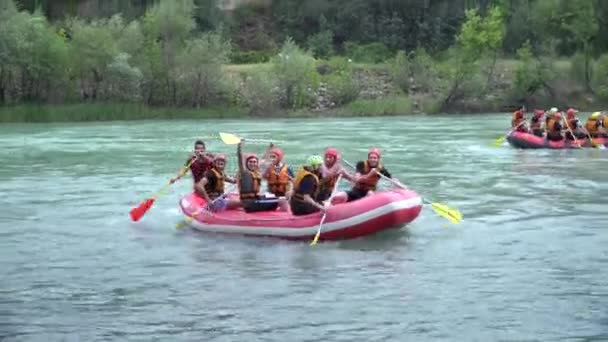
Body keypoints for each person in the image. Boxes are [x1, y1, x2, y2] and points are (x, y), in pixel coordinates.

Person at [236, 140, 288, 213]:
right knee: (282, 201)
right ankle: (286, 218)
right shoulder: (244, 173)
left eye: (254, 162)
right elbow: (240, 159)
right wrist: (239, 146)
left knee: (275, 197)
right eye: (250, 162)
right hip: (250, 204)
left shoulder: (256, 172)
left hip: (255, 200)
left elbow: (264, 159)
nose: (252, 164)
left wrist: (269, 149)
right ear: (246, 163)